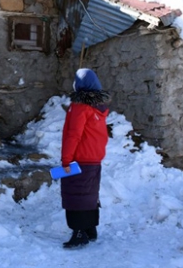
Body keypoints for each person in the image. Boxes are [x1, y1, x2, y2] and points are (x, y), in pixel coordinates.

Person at [60, 68, 111, 248]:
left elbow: (74, 135)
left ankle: (79, 232)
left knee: (76, 195)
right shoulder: (98, 108)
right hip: (94, 160)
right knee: (89, 195)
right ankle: (90, 229)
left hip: (79, 159)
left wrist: (66, 160)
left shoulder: (80, 107)